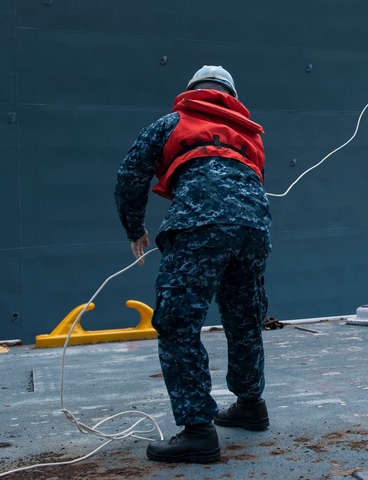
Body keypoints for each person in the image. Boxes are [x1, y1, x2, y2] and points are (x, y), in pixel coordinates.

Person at [115, 65, 272, 465]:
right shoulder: (251, 134)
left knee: (178, 321)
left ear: (192, 91)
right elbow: (252, 182)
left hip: (200, 224)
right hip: (255, 228)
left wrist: (135, 228)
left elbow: (131, 174)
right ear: (231, 95)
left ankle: (198, 431)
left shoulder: (173, 122)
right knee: (244, 316)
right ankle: (251, 404)